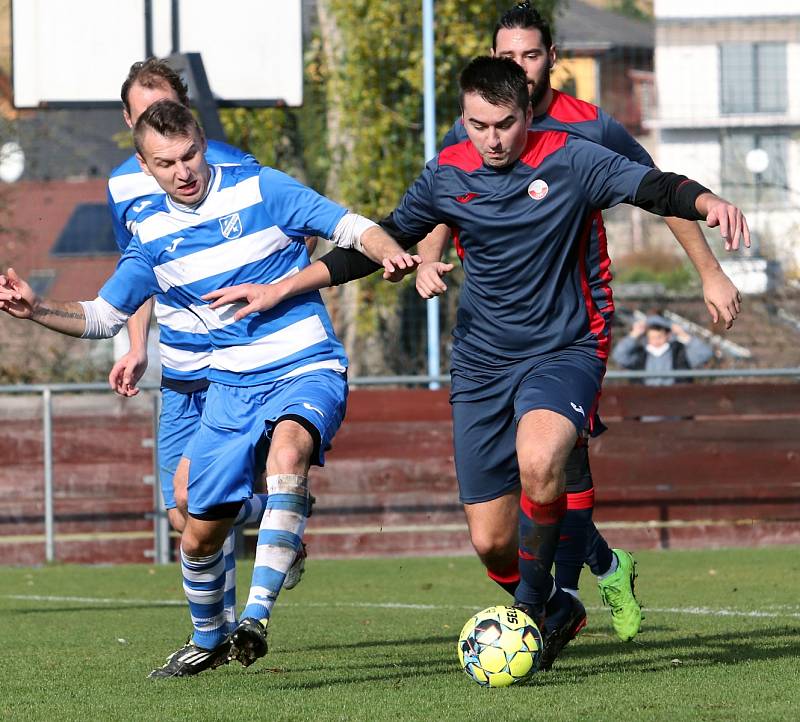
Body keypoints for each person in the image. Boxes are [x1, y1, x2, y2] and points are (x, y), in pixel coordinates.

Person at [205, 56, 749, 670]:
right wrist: (282, 289)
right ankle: (557, 605)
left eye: (504, 124)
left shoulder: (571, 158)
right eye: (477, 124)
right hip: (482, 365)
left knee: (541, 459)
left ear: (527, 113)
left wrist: (709, 201)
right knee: (492, 542)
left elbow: (655, 187)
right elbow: (383, 238)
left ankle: (534, 612)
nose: (491, 139)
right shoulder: (446, 174)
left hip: (563, 349)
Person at [0, 100, 418, 678]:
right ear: (146, 167)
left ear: (203, 140)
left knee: (289, 450)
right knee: (196, 535)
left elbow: (351, 226)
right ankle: (210, 636)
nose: (184, 171)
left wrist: (388, 250)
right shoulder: (150, 236)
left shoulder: (261, 187)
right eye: (167, 163)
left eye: (190, 154)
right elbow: (102, 316)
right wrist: (36, 308)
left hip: (304, 363)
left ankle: (254, 618)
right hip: (228, 388)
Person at [411, 1, 745, 642]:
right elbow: (442, 205)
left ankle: (551, 605)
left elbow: (658, 189)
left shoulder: (590, 128)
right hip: (495, 334)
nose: (519, 66)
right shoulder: (482, 125)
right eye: (507, 55)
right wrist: (428, 260)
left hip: (574, 324)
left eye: (530, 55)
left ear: (552, 59)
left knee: (555, 462)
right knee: (533, 486)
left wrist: (709, 272)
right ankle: (601, 567)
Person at [106, 58, 301, 637]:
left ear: (188, 116)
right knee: (181, 513)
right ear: (131, 123)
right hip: (180, 369)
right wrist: (137, 345)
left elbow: (290, 228)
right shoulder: (121, 183)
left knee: (201, 500)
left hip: (231, 362)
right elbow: (136, 270)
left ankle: (222, 627)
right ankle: (272, 520)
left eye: (168, 112)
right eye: (145, 116)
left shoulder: (234, 167)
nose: (160, 124)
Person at [612, 314, 713, 385]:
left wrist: (683, 335)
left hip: (675, 402)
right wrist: (634, 334)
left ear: (668, 336)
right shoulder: (640, 354)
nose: (656, 341)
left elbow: (705, 353)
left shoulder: (679, 352)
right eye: (652, 338)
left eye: (659, 337)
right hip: (645, 402)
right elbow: (619, 356)